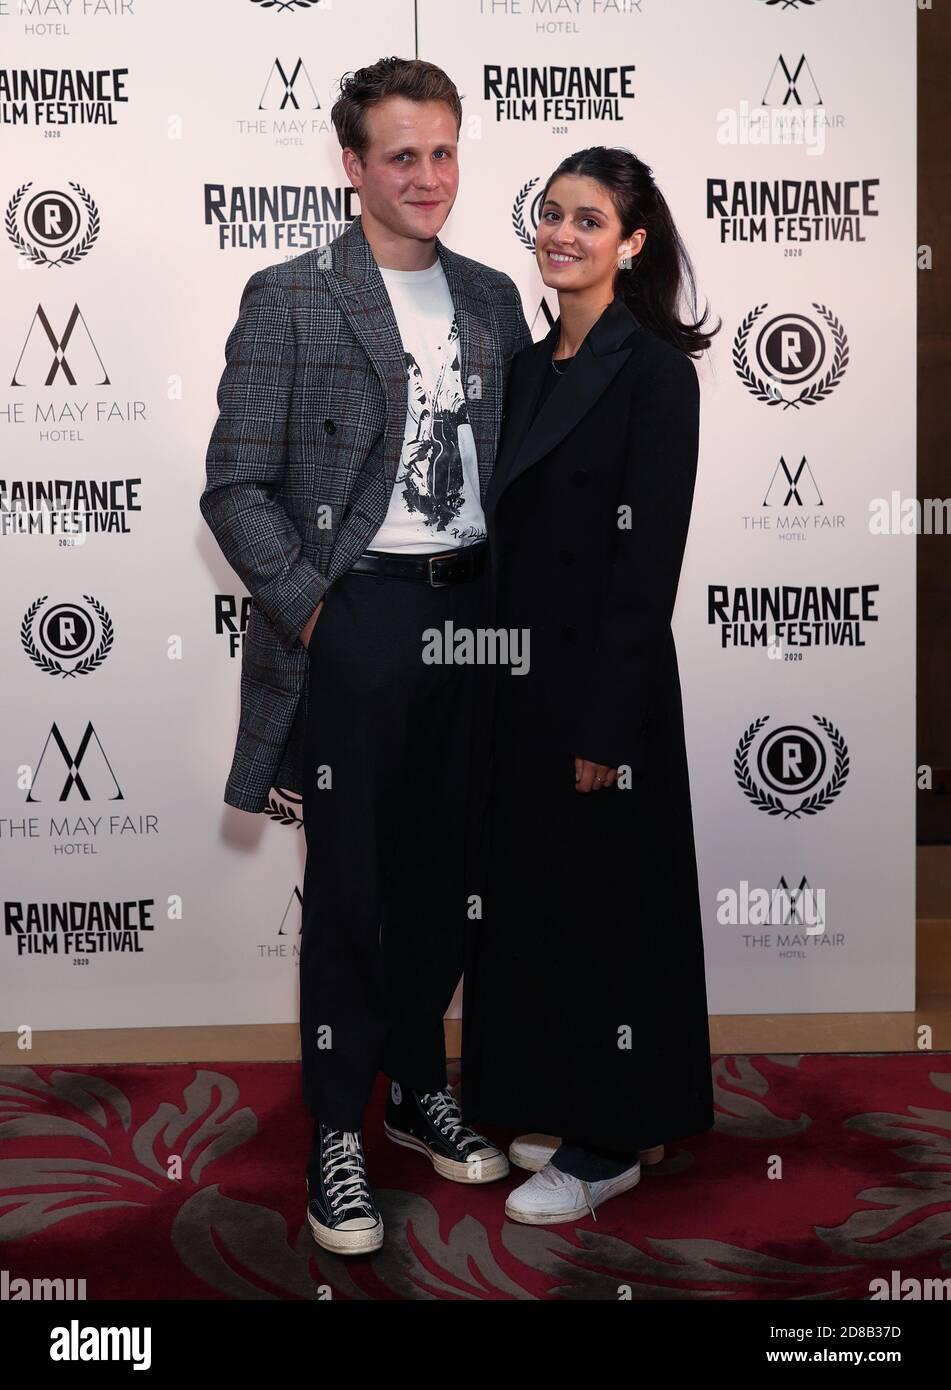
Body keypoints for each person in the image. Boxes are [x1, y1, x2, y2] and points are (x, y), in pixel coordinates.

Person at [200, 57, 532, 1255]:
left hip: (476, 620)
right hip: (359, 618)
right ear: (353, 166)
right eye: (402, 154)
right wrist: (318, 617)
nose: (428, 176)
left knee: (450, 878)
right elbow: (234, 488)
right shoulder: (291, 297)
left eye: (443, 151)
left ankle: (414, 1086)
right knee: (349, 894)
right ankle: (336, 1129)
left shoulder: (496, 297)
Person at [461, 146, 721, 1225]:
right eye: (553, 215)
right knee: (535, 907)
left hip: (602, 688)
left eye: (590, 220)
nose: (564, 234)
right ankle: (559, 1101)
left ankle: (610, 1140)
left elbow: (644, 569)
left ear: (633, 242)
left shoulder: (654, 372)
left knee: (608, 914)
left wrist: (605, 726)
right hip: (517, 685)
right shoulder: (526, 367)